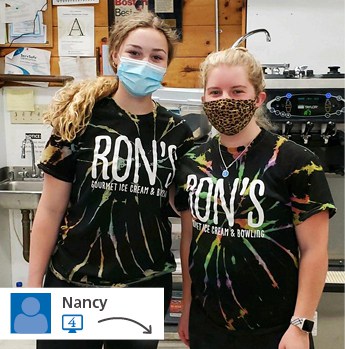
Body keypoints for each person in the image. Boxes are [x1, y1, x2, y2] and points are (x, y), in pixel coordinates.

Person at [27, 11, 193, 349]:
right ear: (115, 54)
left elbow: (188, 216)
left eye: (156, 56)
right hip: (73, 282)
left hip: (142, 287)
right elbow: (49, 209)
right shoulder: (78, 118)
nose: (145, 62)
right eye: (135, 53)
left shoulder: (178, 133)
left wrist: (189, 298)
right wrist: (33, 291)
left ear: (165, 65)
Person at [175, 47, 336, 349]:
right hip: (208, 325)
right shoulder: (192, 161)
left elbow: (314, 250)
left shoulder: (296, 161)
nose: (225, 100)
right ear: (204, 100)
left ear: (258, 98)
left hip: (276, 330)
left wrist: (301, 325)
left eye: (237, 91)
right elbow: (189, 241)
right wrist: (186, 307)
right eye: (215, 92)